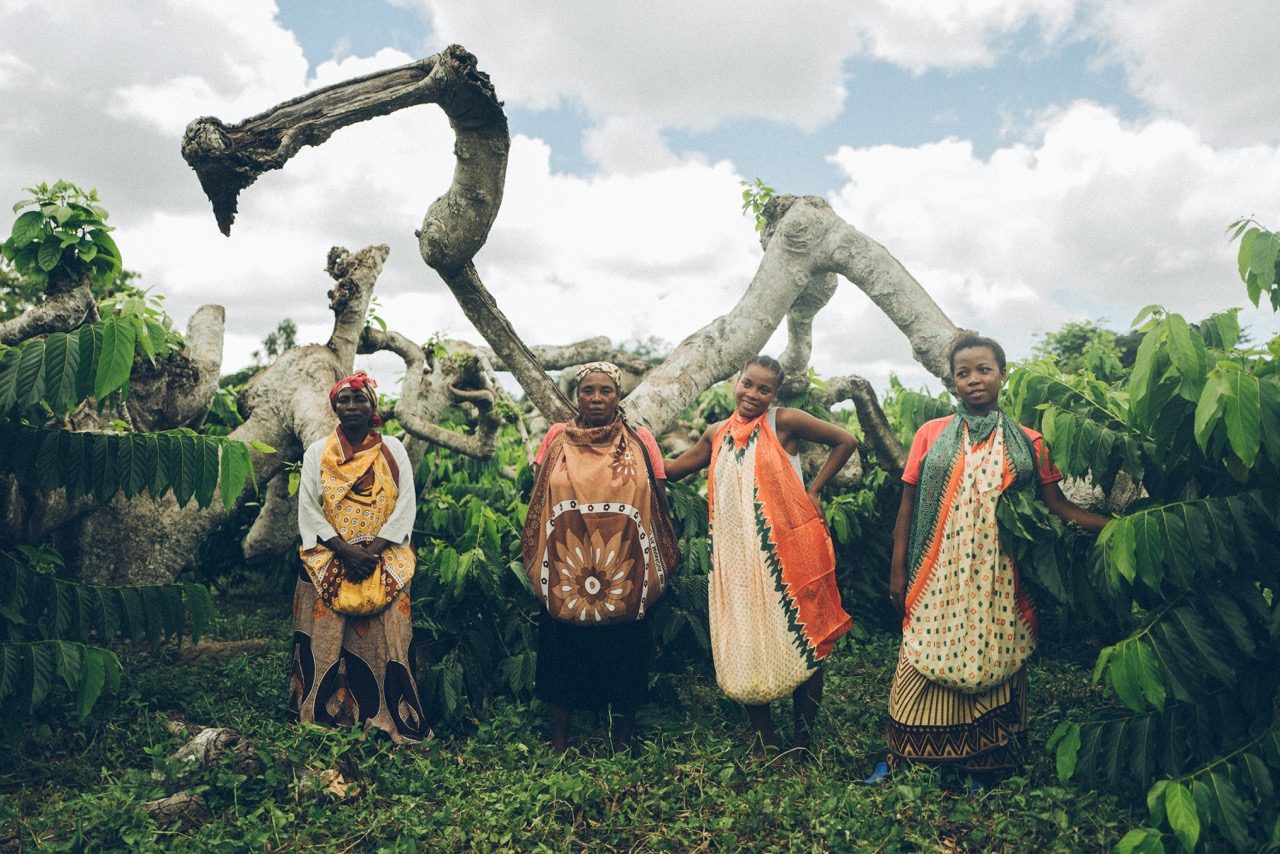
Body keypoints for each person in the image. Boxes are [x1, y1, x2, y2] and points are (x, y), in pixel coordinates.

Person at [879, 333, 1108, 779]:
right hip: (938, 568)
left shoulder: (1030, 442)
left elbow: (1057, 506)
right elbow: (907, 506)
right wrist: (898, 569)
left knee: (997, 648)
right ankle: (908, 755)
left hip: (1000, 571)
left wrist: (1115, 528)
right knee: (922, 646)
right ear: (953, 382)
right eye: (963, 373)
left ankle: (989, 760)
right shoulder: (931, 435)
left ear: (1002, 375)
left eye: (983, 369)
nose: (973, 380)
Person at [665, 356, 857, 754]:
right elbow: (671, 470)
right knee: (749, 638)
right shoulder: (716, 434)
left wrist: (814, 490)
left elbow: (846, 440)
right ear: (736, 382)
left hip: (789, 555)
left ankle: (802, 740)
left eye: (764, 389)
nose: (753, 394)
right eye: (748, 384)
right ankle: (765, 741)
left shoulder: (785, 422)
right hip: (737, 560)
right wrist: (633, 443)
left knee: (805, 637)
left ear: (775, 395)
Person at [521, 362, 677, 753]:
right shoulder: (557, 438)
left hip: (624, 561)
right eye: (587, 390)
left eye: (605, 390)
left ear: (618, 396)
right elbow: (540, 493)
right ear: (577, 396)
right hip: (566, 562)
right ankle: (560, 741)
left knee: (627, 646)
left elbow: (657, 496)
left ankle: (622, 738)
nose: (596, 398)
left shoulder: (640, 440)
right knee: (562, 646)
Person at [288, 371, 427, 743]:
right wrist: (346, 550)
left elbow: (406, 504)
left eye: (360, 399)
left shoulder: (393, 450)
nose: (352, 406)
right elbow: (309, 508)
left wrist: (373, 551)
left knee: (391, 637)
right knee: (326, 637)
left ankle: (390, 715)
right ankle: (326, 713)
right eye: (344, 400)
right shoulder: (317, 453)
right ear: (334, 407)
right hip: (328, 556)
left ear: (373, 407)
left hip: (385, 556)